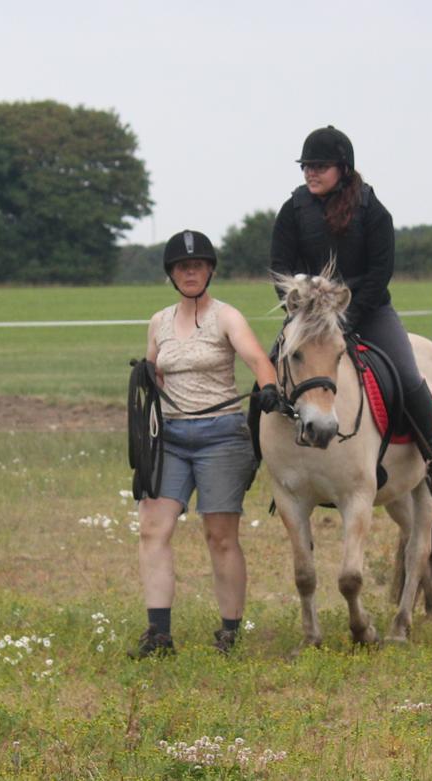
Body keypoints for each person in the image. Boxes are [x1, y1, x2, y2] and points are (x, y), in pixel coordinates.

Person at [270, 125, 432, 499]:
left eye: (319, 166)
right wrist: (295, 304)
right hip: (309, 320)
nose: (311, 172)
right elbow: (279, 264)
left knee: (407, 375)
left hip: (369, 312)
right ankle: (255, 455)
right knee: (269, 371)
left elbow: (379, 274)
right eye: (306, 166)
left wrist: (349, 318)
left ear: (343, 168)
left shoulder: (373, 211)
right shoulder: (292, 210)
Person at [131, 229, 279, 658]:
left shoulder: (227, 318)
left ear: (210, 270)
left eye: (197, 265)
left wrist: (268, 387)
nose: (190, 272)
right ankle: (158, 634)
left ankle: (230, 631)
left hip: (221, 435)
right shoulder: (158, 322)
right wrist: (146, 376)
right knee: (152, 529)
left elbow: (257, 360)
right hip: (170, 438)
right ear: (172, 275)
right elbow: (154, 370)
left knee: (220, 536)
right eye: (182, 267)